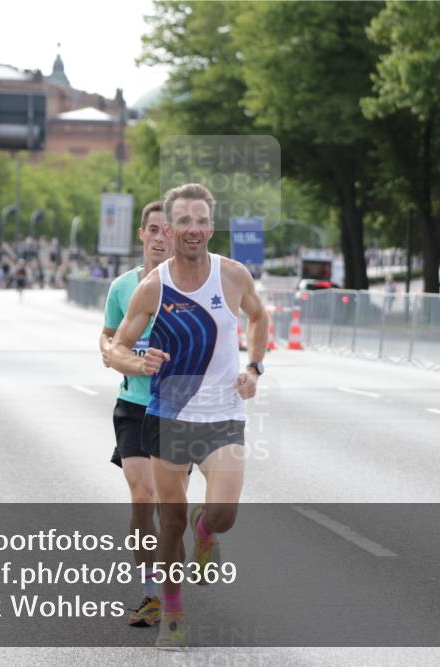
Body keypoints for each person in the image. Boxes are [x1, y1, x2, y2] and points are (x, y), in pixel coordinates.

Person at [108, 183, 269, 650]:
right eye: (183, 221)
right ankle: (173, 613)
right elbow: (117, 345)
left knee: (223, 514)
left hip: (223, 415)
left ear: (211, 227)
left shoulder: (234, 275)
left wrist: (254, 367)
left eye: (201, 220)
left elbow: (258, 318)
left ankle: (207, 530)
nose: (193, 229)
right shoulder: (152, 287)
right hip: (169, 415)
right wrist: (138, 363)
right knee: (169, 521)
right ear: (171, 229)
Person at [99, 202, 171, 628]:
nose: (161, 238)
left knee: (169, 504)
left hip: (177, 408)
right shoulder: (122, 288)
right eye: (154, 230)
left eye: (168, 231)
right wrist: (116, 356)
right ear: (142, 235)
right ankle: (149, 595)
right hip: (133, 405)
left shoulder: (189, 288)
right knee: (143, 497)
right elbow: (108, 339)